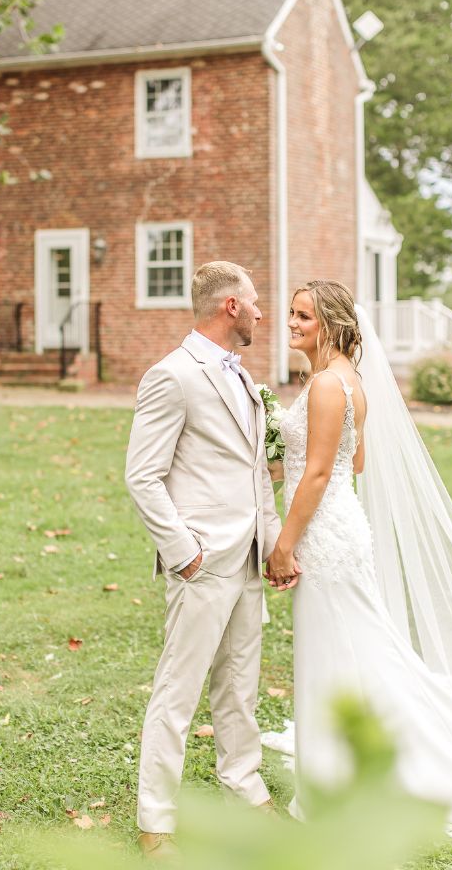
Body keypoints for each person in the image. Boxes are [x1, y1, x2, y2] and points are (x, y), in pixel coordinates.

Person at [264, 279, 452, 839]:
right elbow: (351, 463)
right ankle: (345, 760)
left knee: (340, 647)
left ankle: (343, 772)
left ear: (332, 324)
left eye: (303, 316)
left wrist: (284, 543)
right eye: (290, 313)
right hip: (341, 525)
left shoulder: (324, 388)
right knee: (353, 645)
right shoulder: (349, 382)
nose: (291, 323)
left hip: (323, 535)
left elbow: (318, 473)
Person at [125, 261, 283, 858]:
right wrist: (182, 552)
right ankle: (155, 823)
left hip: (245, 561)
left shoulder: (242, 378)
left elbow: (256, 474)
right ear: (231, 308)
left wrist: (269, 544)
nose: (263, 313)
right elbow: (143, 475)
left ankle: (244, 788)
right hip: (202, 560)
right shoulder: (172, 376)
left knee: (239, 688)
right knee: (178, 692)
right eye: (256, 302)